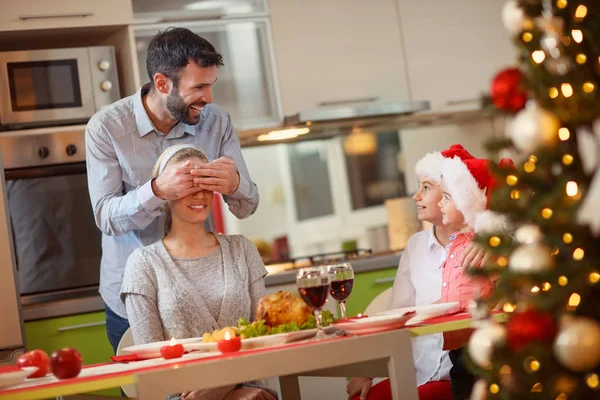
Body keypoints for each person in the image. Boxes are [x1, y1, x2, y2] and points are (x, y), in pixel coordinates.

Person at [85, 27, 259, 353]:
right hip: (134, 298)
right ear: (163, 83)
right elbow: (105, 217)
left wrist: (235, 185)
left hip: (203, 295)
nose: (208, 98)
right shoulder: (107, 127)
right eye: (199, 87)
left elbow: (246, 206)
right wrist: (157, 190)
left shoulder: (216, 121)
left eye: (211, 85)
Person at [121, 145, 275, 400]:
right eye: (188, 185)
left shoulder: (242, 250)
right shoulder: (143, 264)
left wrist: (219, 387)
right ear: (167, 193)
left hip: (249, 388)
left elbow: (263, 338)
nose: (200, 194)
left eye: (206, 183)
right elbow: (152, 363)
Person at [346, 144, 484, 400]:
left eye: (427, 187)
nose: (416, 196)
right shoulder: (416, 246)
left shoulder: (487, 243)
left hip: (463, 376)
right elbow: (396, 315)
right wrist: (367, 370)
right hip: (418, 373)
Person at [437, 155, 511, 400]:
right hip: (457, 350)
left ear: (468, 201)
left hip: (483, 346)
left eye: (446, 197)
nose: (439, 203)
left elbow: (506, 287)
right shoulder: (456, 244)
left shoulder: (484, 247)